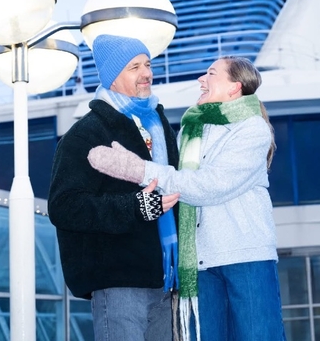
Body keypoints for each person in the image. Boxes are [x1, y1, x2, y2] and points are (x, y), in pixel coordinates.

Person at [88, 56, 286, 341]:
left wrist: (140, 169)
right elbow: (173, 182)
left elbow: (209, 186)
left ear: (235, 87)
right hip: (200, 262)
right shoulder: (191, 130)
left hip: (245, 257)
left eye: (211, 74)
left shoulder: (252, 129)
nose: (201, 79)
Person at [48, 35, 181, 341]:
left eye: (148, 64)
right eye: (135, 67)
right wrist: (135, 207)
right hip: (118, 280)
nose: (146, 73)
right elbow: (64, 206)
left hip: (165, 277)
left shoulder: (159, 126)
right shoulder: (85, 134)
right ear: (112, 77)